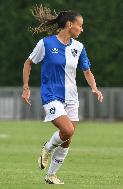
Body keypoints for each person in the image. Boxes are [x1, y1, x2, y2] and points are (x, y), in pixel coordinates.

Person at [21, 5, 103, 184]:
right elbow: (28, 63)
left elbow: (87, 71)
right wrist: (26, 87)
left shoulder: (79, 47)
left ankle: (51, 175)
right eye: (80, 25)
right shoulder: (46, 43)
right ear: (69, 25)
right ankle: (48, 147)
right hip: (51, 95)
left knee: (67, 139)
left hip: (71, 97)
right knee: (67, 130)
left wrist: (94, 88)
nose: (82, 29)